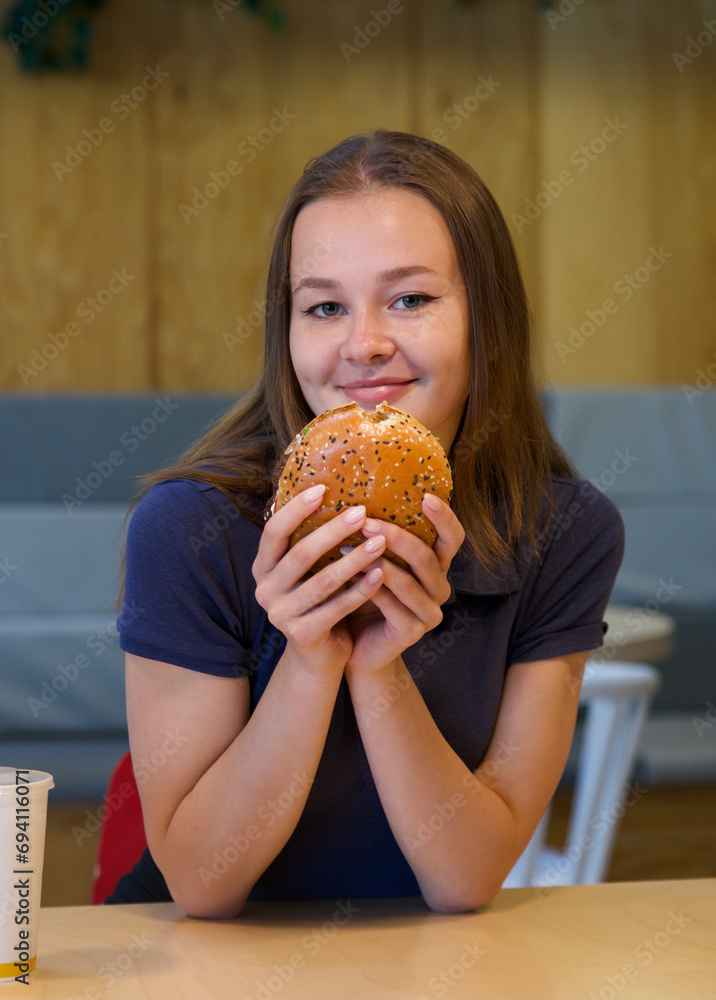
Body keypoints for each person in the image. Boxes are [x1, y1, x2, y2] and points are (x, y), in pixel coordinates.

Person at [109, 129, 624, 916]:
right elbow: (202, 885)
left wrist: (379, 668)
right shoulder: (187, 528)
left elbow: (466, 878)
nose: (364, 346)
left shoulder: (564, 533)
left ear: (488, 317)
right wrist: (312, 659)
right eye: (323, 307)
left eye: (411, 298)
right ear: (288, 334)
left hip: (421, 956)